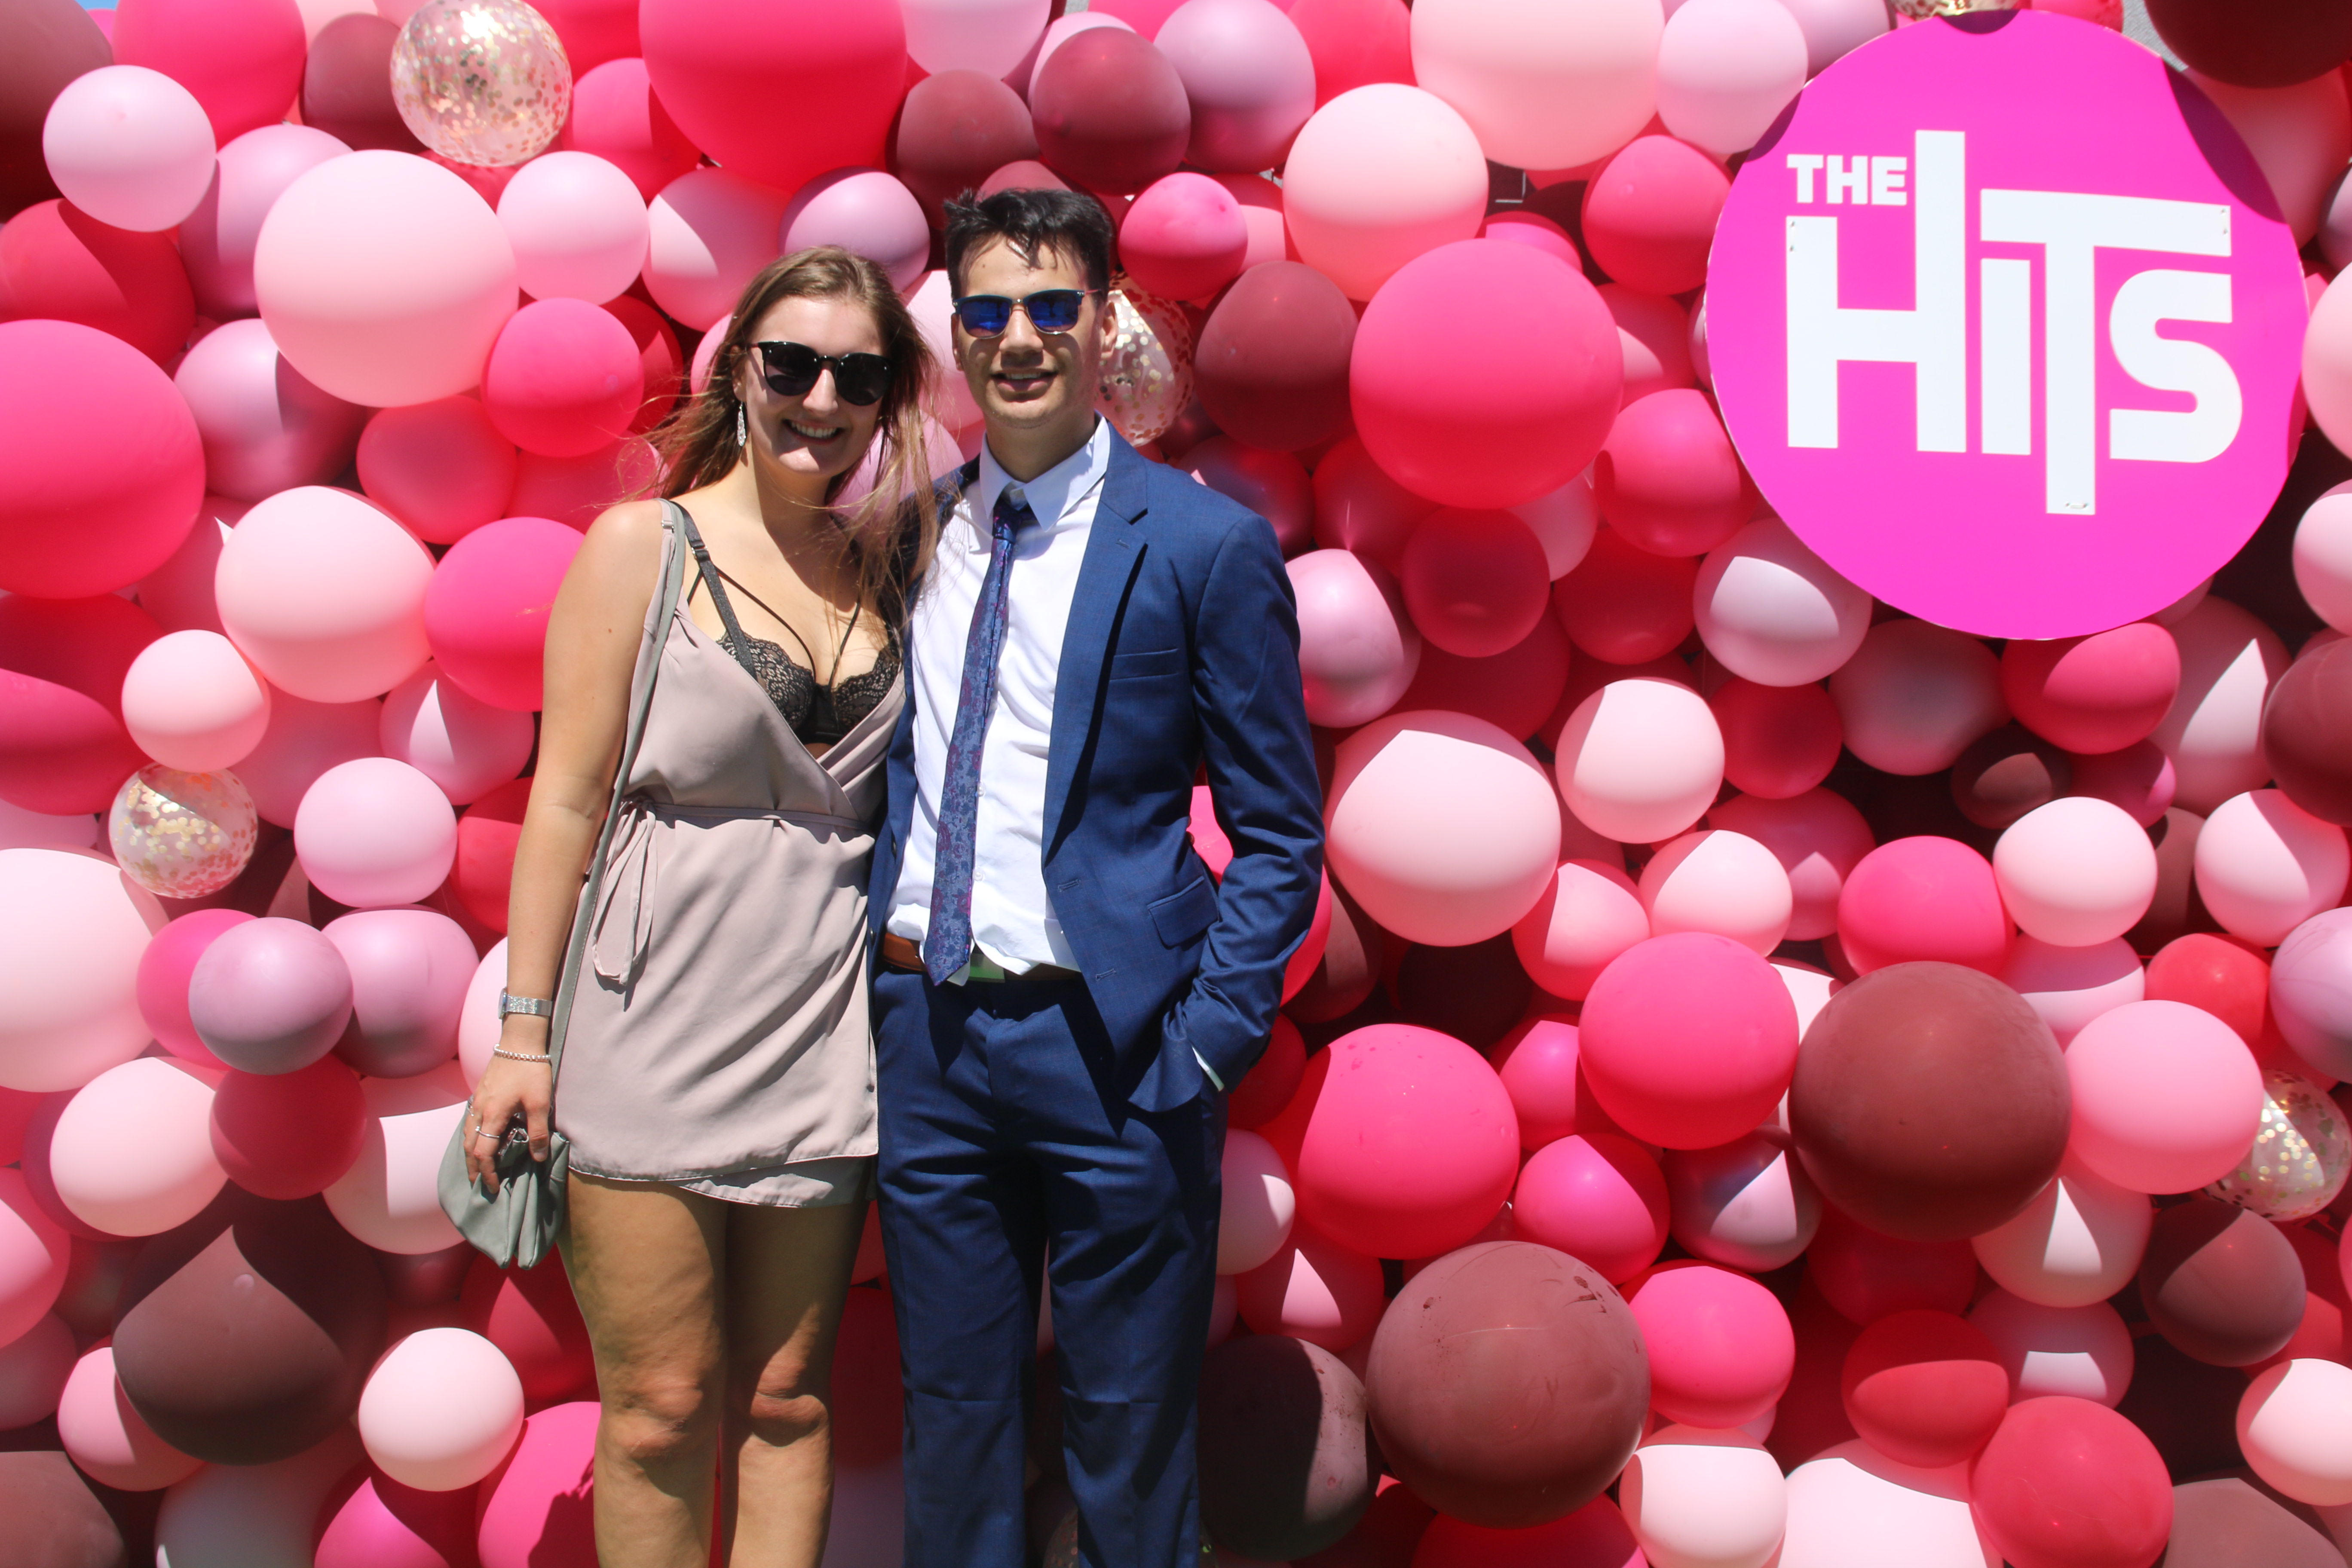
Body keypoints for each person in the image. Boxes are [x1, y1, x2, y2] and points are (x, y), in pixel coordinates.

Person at [868, 187, 1325, 1568]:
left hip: (1119, 1051)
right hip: (929, 1041)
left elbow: (1280, 831)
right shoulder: (906, 537)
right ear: (957, 333)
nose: (1020, 338)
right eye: (989, 311)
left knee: (1130, 1441)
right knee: (952, 1428)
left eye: (1052, 305)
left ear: (1103, 319)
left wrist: (1208, 1041)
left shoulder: (1201, 544)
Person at [464, 246, 937, 1568]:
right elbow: (565, 802)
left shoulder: (887, 569)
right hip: (651, 1016)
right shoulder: (643, 546)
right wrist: (523, 1036)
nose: (821, 399)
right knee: (662, 1406)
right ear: (738, 374)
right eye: (791, 364)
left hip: (822, 1027)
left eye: (859, 375)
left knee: (788, 1400)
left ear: (889, 399)